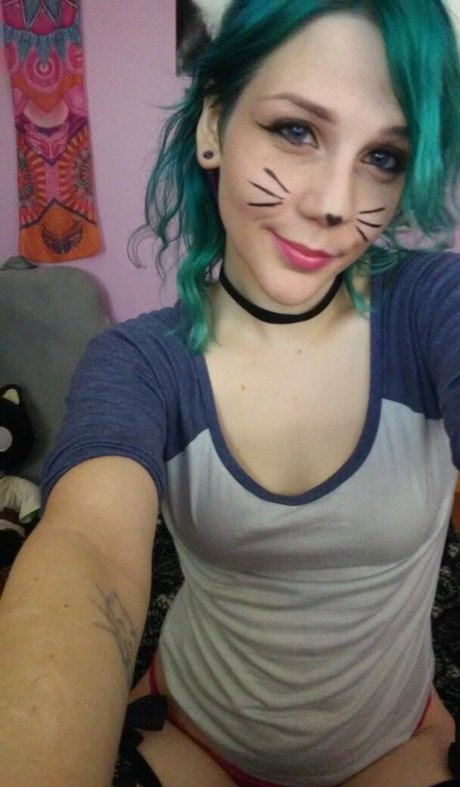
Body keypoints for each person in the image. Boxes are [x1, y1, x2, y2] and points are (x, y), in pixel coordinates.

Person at [1, 1, 460, 785]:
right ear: (214, 123)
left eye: (383, 156)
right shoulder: (139, 361)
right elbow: (89, 554)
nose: (335, 203)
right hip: (193, 736)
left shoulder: (431, 309)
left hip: (396, 740)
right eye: (297, 130)